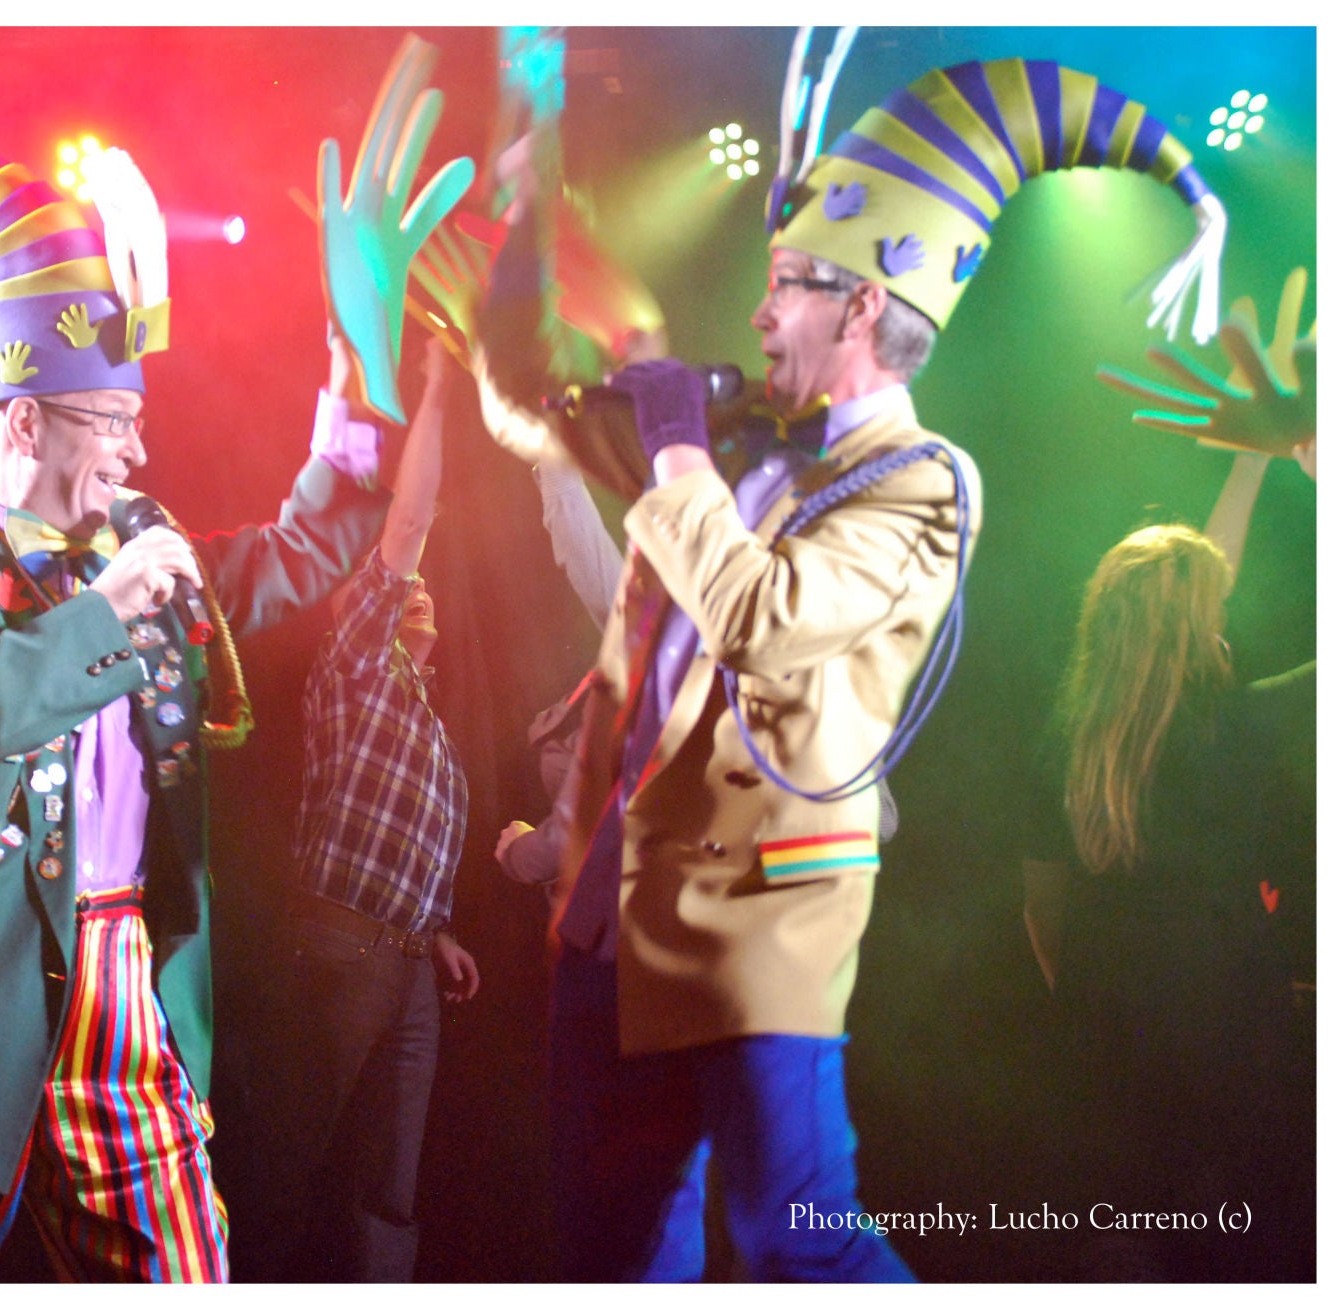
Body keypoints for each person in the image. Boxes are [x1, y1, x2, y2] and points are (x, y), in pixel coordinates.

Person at [474, 44, 1218, 1283]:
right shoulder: (736, 435)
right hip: (609, 924)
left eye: (784, 286)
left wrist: (673, 447)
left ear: (861, 307)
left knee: (797, 1240)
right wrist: (526, 205)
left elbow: (759, 616)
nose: (757, 311)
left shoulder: (922, 484)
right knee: (613, 1256)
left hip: (753, 927)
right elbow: (523, 405)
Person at [0, 144, 390, 1283]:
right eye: (109, 419)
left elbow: (301, 553)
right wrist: (106, 610)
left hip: (123, 988)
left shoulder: (131, 557)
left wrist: (357, 388)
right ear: (22, 421)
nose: (136, 449)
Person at [1022, 282, 1316, 1281]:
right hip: (1230, 1043)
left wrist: (1248, 464)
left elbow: (1041, 913)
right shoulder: (1239, 727)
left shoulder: (1068, 739)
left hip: (1103, 1046)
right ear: (1198, 630)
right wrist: (1304, 458)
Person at [234, 339, 474, 1283]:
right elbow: (407, 523)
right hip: (340, 948)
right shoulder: (358, 663)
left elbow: (408, 837)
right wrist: (439, 390)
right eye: (397, 588)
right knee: (286, 1161)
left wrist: (436, 928)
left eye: (419, 592)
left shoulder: (427, 719)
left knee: (387, 1189)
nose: (416, 592)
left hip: (406, 964)